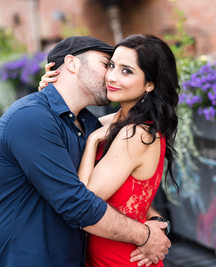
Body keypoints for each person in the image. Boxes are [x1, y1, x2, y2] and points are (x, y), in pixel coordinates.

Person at [0, 36, 171, 267]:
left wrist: (156, 221)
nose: (110, 76)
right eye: (107, 65)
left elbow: (124, 191)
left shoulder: (92, 125)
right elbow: (79, 204)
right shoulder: (32, 117)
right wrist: (146, 235)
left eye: (125, 70)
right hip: (34, 258)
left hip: (87, 258)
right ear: (72, 64)